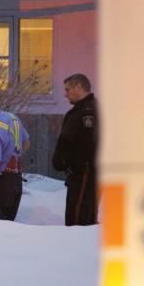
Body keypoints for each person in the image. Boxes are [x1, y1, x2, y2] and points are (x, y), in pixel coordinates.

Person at [52, 73, 98, 226]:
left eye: (67, 89)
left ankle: (78, 247)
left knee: (79, 218)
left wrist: (81, 165)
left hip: (84, 173)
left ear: (79, 87)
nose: (65, 94)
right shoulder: (80, 110)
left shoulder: (89, 111)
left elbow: (91, 144)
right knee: (74, 214)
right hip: (77, 174)